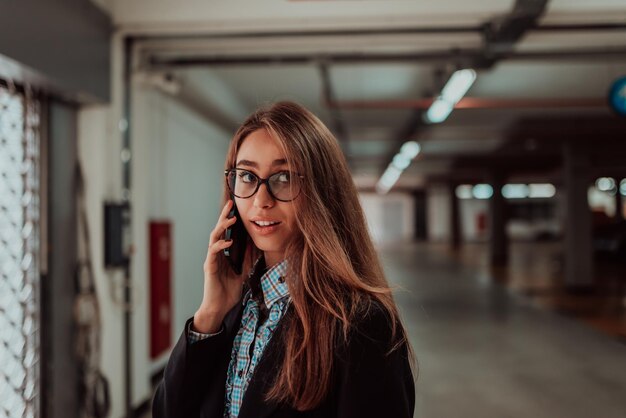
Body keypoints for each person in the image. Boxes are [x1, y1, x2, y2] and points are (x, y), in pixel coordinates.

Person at [152, 101, 416, 418]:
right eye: (247, 176)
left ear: (322, 190)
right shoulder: (235, 307)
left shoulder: (360, 324)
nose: (262, 201)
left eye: (284, 177)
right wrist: (209, 315)